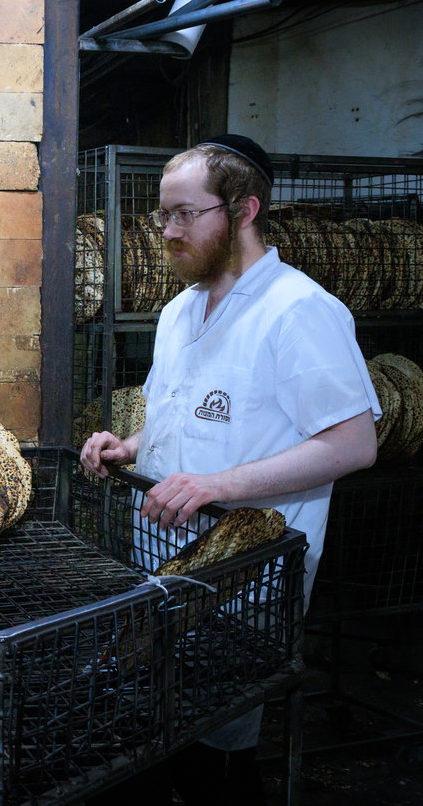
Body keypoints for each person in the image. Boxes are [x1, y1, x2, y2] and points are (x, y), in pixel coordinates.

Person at [79, 134, 380, 805]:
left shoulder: (300, 311)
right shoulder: (178, 311)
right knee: (161, 740)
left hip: (246, 583)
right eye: (163, 214)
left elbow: (355, 442)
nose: (167, 230)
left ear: (245, 211)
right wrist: (130, 447)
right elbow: (182, 417)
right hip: (166, 568)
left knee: (216, 750)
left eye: (185, 213)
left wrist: (217, 486)